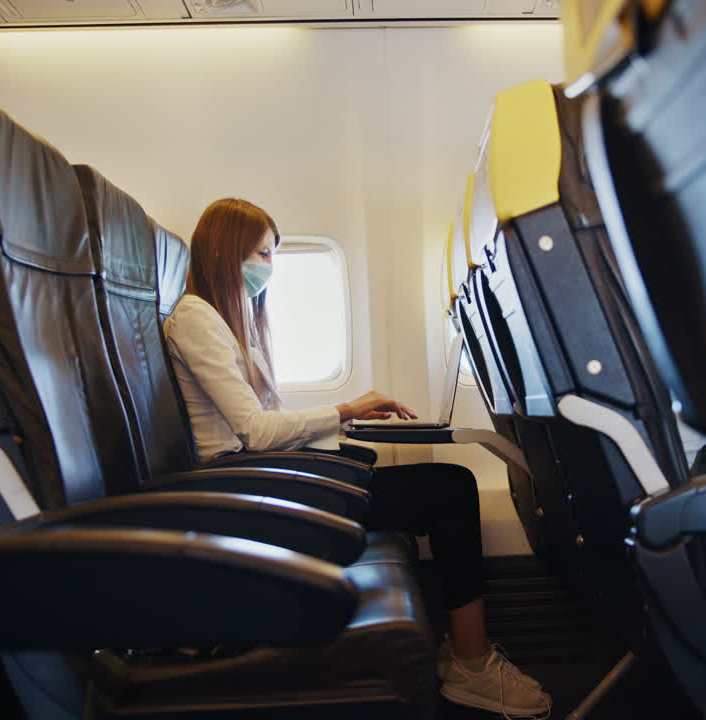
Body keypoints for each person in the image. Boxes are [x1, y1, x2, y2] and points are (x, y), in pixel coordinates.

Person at [163, 198, 551, 718]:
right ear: (225, 250)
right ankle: (471, 665)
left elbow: (267, 422)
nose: (269, 269)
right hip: (250, 493)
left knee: (434, 481)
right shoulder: (196, 319)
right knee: (451, 488)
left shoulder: (233, 328)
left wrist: (346, 423)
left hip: (271, 479)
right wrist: (346, 407)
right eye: (261, 254)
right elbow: (255, 433)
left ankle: (467, 658)